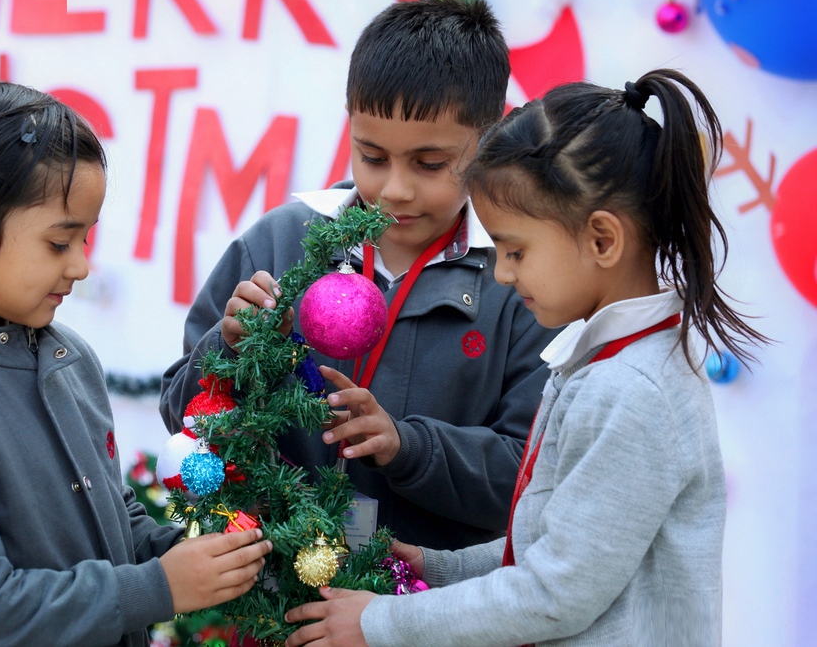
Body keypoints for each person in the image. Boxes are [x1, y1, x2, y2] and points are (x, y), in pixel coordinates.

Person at [283, 69, 770, 646]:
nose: (505, 273)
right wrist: (436, 567)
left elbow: (552, 594)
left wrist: (379, 624)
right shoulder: (609, 364)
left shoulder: (631, 391)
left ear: (603, 240)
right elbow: (553, 542)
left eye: (515, 250)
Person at [0, 82, 271, 647]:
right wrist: (156, 587)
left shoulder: (68, 356)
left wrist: (191, 555)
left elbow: (108, 516)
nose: (82, 267)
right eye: (59, 243)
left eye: (87, 239)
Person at [159, 0, 555, 552]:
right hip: (275, 595)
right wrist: (226, 349)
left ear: (493, 137)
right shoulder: (279, 241)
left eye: (430, 164)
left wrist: (407, 447)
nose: (395, 188)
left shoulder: (523, 278)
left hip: (431, 611)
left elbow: (536, 475)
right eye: (372, 156)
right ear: (350, 128)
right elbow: (182, 416)